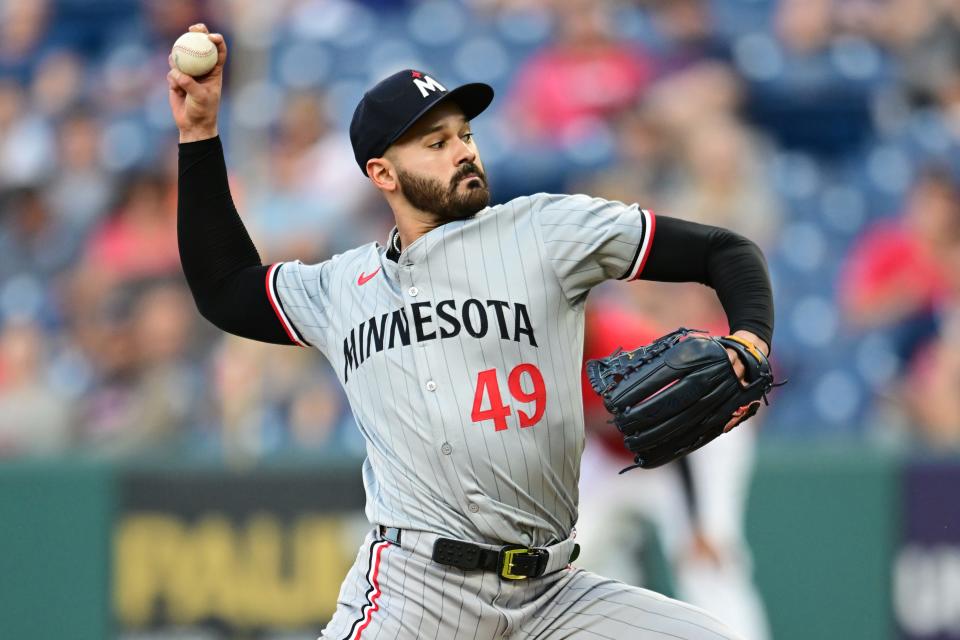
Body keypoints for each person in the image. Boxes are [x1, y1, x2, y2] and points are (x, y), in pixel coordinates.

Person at [169, 23, 774, 640]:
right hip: (416, 592)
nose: (462, 150)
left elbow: (725, 251)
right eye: (435, 142)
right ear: (382, 173)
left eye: (465, 134)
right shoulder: (339, 289)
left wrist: (750, 340)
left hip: (556, 592)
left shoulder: (546, 232)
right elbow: (225, 289)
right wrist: (198, 134)